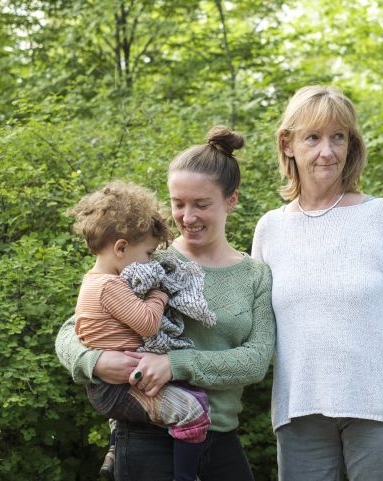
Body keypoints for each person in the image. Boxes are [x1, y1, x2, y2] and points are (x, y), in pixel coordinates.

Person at [56, 126, 275, 481]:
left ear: (231, 200)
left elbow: (256, 360)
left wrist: (176, 364)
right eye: (178, 204)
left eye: (201, 204)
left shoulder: (255, 275)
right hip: (147, 436)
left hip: (220, 436)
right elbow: (75, 325)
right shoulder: (146, 260)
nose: (187, 217)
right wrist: (93, 361)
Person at [251, 85, 383, 481]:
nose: (328, 151)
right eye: (313, 137)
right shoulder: (271, 229)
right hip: (299, 411)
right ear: (287, 144)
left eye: (338, 137)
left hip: (382, 407)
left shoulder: (381, 216)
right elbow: (255, 325)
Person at [66, 181, 217, 481]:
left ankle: (113, 449)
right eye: (148, 253)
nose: (150, 261)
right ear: (121, 248)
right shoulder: (109, 285)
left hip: (117, 384)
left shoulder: (93, 281)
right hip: (118, 387)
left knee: (194, 397)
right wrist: (160, 293)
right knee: (193, 411)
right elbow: (148, 323)